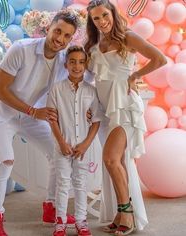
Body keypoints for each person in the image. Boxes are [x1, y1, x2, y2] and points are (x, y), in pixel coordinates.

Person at [0, 10, 79, 236]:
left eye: (67, 36)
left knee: (58, 153)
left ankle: (52, 208)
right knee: (6, 161)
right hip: (0, 111)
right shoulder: (21, 49)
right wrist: (33, 111)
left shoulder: (62, 60)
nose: (60, 39)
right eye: (58, 31)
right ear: (48, 28)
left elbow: (81, 78)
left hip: (28, 115)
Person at [84, 0, 167, 235]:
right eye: (96, 18)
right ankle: (121, 213)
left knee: (111, 159)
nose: (102, 21)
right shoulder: (93, 43)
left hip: (124, 107)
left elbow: (160, 58)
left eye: (104, 15)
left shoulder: (128, 37)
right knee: (116, 163)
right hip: (104, 109)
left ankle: (127, 212)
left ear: (113, 13)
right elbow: (91, 77)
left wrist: (135, 76)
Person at [47, 46, 102, 236]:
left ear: (86, 65)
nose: (77, 66)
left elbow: (96, 121)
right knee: (62, 184)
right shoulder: (56, 89)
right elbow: (52, 119)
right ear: (66, 64)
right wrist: (61, 142)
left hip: (82, 147)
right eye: (72, 61)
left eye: (81, 62)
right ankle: (60, 222)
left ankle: (81, 221)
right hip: (62, 145)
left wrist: (86, 144)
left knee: (80, 183)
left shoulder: (91, 91)